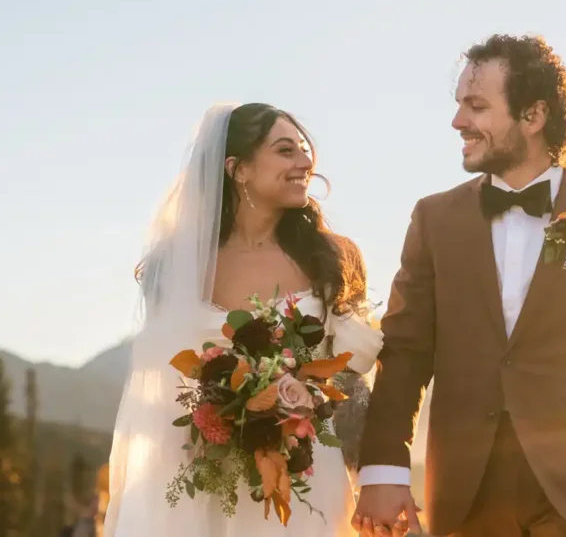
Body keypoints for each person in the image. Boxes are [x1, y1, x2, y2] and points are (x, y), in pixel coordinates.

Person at [353, 35, 566, 537]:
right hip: (466, 496)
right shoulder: (434, 219)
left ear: (533, 115)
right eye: (459, 105)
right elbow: (405, 352)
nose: (458, 121)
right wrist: (383, 470)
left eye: (477, 106)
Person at [103, 102, 383, 537]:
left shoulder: (332, 258)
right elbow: (159, 391)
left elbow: (353, 385)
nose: (305, 162)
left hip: (308, 480)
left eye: (304, 149)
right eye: (285, 150)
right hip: (201, 483)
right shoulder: (173, 266)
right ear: (238, 169)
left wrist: (374, 477)